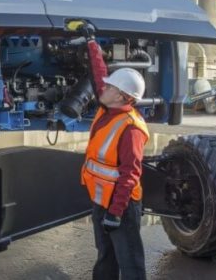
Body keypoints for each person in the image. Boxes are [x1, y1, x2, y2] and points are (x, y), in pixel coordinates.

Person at [78, 24, 149, 280]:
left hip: (122, 205)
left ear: (121, 97)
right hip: (101, 201)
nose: (102, 89)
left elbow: (130, 175)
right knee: (105, 257)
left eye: (109, 88)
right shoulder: (108, 108)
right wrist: (92, 43)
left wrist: (116, 213)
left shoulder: (131, 129)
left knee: (130, 263)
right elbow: (99, 75)